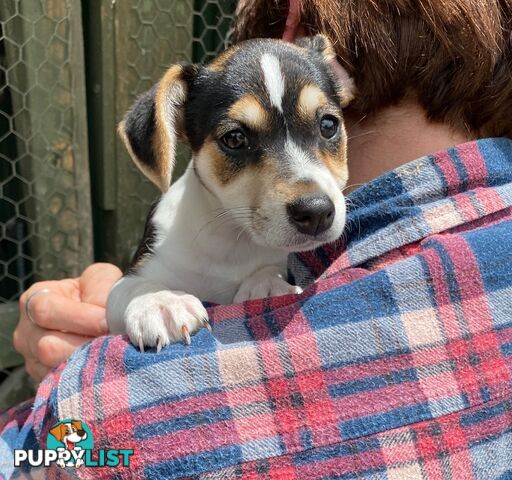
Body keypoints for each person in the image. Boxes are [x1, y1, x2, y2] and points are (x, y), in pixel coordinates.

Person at [2, 0, 512, 478]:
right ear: (176, 133)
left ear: (343, 82)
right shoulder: (172, 231)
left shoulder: (112, 410)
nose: (308, 190)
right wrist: (137, 297)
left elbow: (29, 453)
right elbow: (127, 294)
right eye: (238, 140)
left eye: (326, 127)